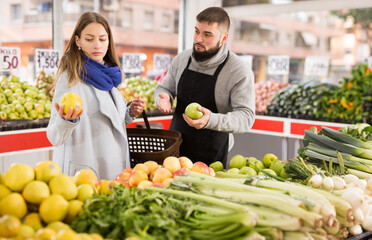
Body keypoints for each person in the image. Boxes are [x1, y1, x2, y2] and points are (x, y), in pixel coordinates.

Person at [47, 12, 144, 180]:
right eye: (89, 39)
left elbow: (107, 121)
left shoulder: (108, 75)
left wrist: (129, 113)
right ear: (78, 41)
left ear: (109, 41)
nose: (97, 45)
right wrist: (65, 120)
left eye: (102, 39)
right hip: (86, 171)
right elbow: (54, 137)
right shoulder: (70, 77)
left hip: (113, 167)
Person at [154, 7, 255, 168]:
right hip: (175, 150)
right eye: (196, 31)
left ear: (223, 39)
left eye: (207, 34)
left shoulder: (238, 70)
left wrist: (211, 120)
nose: (198, 39)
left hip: (211, 154)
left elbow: (246, 117)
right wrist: (163, 97)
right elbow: (163, 88)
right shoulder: (182, 59)